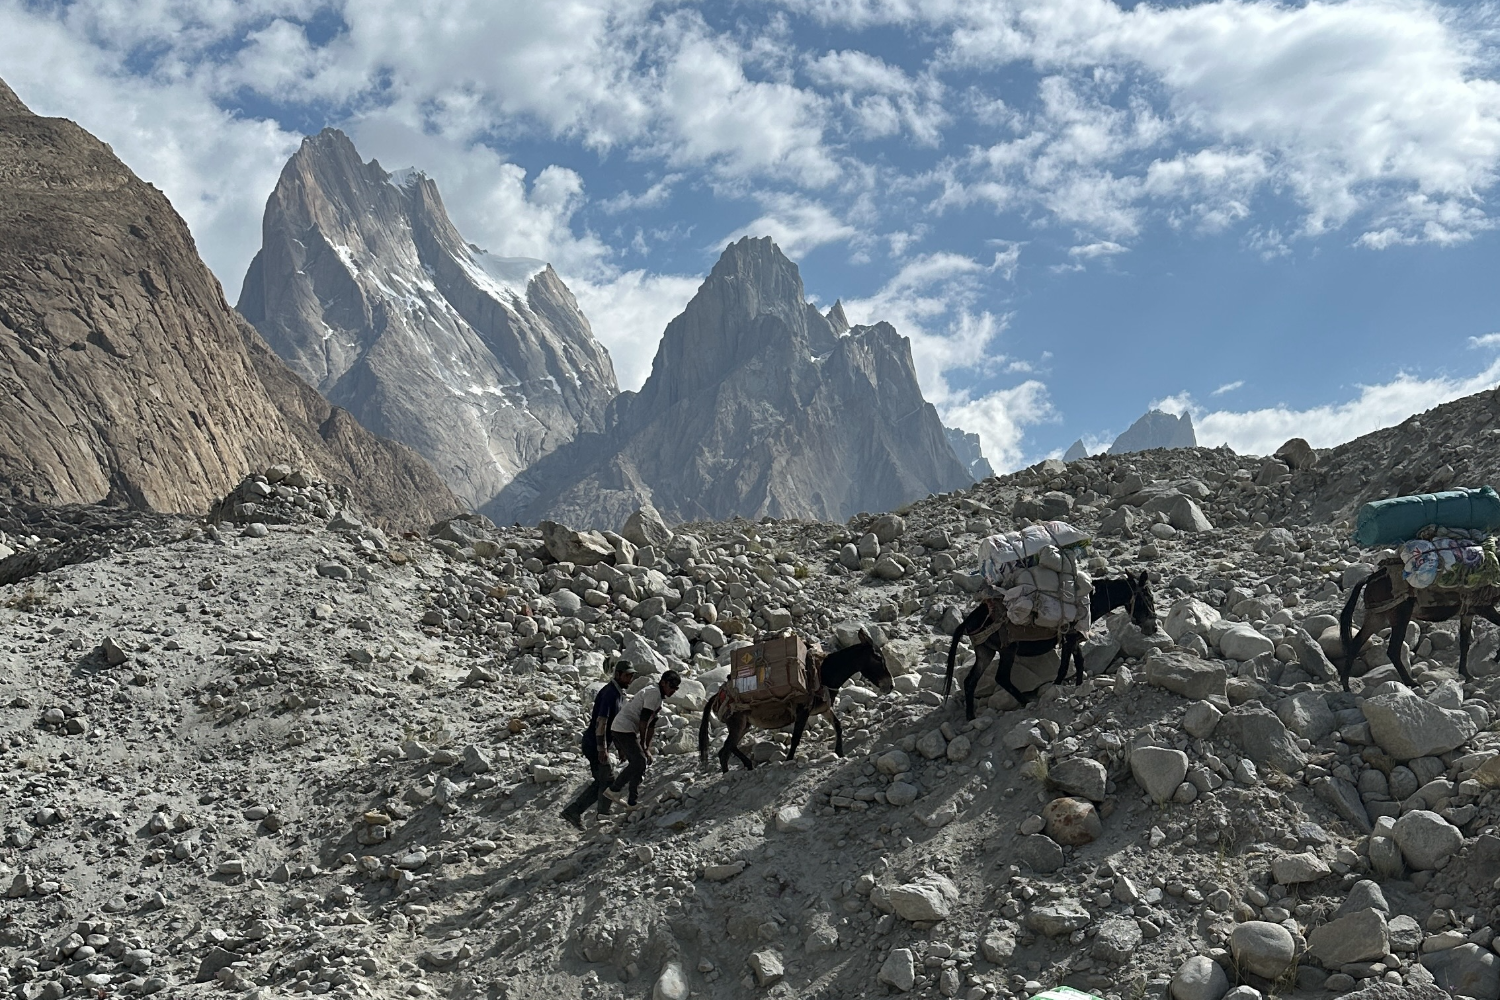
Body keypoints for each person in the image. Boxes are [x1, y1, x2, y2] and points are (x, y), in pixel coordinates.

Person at [559, 663, 635, 830]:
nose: (630, 679)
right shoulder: (609, 693)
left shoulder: (619, 694)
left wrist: (620, 748)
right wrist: (602, 748)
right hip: (594, 744)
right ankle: (602, 815)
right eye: (627, 675)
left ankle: (574, 811)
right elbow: (602, 722)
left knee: (601, 780)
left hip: (598, 743)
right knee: (607, 780)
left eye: (632, 676)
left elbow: (615, 725)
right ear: (618, 674)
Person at [603, 669, 681, 808]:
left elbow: (651, 726)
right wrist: (643, 745)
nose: (673, 690)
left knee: (640, 763)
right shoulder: (653, 693)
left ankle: (632, 802)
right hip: (623, 728)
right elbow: (643, 721)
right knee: (639, 762)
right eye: (672, 686)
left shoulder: (658, 699)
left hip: (625, 729)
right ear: (663, 683)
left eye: (676, 688)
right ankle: (614, 790)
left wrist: (647, 748)